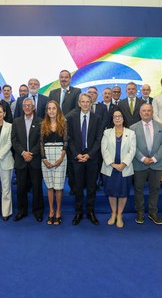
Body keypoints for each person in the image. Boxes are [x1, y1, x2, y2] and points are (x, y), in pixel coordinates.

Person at [67, 93, 103, 226]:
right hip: (77, 158)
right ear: (79, 103)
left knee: (92, 187)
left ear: (91, 103)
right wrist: (76, 154)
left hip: (92, 158)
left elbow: (99, 139)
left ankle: (91, 212)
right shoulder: (71, 118)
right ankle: (78, 212)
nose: (85, 104)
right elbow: (68, 138)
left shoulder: (97, 118)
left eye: (88, 102)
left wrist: (89, 154)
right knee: (78, 187)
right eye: (83, 102)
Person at [130, 103, 162, 225]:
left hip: (156, 164)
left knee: (155, 189)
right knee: (139, 189)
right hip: (139, 163)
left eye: (149, 110)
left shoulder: (161, 126)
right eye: (144, 111)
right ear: (140, 113)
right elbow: (132, 146)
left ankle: (153, 213)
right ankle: (140, 212)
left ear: (152, 112)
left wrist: (154, 159)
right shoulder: (132, 128)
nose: (146, 113)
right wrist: (142, 158)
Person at [101, 109, 136, 228]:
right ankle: (113, 214)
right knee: (111, 192)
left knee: (123, 193)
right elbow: (104, 149)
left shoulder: (131, 133)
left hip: (124, 168)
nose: (117, 118)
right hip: (110, 168)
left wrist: (123, 164)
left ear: (123, 118)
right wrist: (112, 164)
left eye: (119, 116)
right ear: (112, 119)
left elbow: (132, 151)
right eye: (115, 116)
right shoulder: (107, 132)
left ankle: (120, 215)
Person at [11, 98, 44, 222]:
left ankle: (38, 211)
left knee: (37, 187)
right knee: (21, 188)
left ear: (34, 107)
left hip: (35, 160)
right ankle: (21, 211)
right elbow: (14, 140)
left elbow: (41, 140)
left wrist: (32, 153)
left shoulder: (40, 121)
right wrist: (23, 153)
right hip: (21, 160)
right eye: (25, 105)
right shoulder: (16, 121)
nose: (27, 107)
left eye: (30, 105)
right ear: (22, 107)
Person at [41, 101, 68, 226]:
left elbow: (66, 141)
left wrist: (61, 157)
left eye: (54, 108)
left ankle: (58, 211)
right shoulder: (43, 124)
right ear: (46, 111)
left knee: (58, 186)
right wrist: (44, 158)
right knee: (50, 186)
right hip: (46, 155)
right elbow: (41, 142)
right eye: (49, 109)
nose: (51, 111)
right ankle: (51, 211)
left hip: (60, 154)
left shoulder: (64, 123)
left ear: (58, 110)